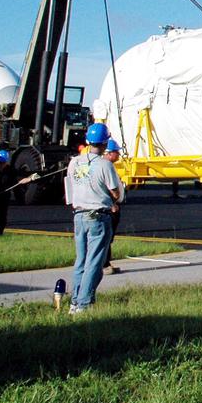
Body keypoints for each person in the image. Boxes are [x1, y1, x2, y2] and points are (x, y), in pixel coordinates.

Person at [65, 123, 124, 314]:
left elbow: (70, 187)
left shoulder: (74, 162)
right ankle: (84, 302)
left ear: (88, 141)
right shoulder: (105, 165)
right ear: (105, 142)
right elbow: (115, 193)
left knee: (81, 260)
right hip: (98, 215)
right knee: (94, 262)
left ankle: (75, 300)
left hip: (79, 214)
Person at [102, 139, 124, 274]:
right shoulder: (105, 167)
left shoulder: (109, 166)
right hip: (110, 207)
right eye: (117, 152)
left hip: (114, 205)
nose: (119, 155)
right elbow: (107, 188)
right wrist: (112, 203)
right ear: (109, 153)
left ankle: (107, 262)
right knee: (106, 236)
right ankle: (104, 264)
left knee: (109, 237)